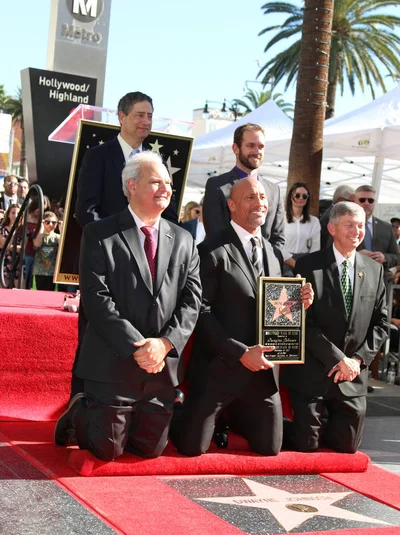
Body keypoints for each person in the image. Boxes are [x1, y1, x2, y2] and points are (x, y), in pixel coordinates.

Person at [55, 151, 202, 461]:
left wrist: (164, 344)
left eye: (168, 183)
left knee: (149, 450)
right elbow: (97, 300)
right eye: (155, 182)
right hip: (113, 364)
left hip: (161, 368)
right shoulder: (99, 233)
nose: (165, 189)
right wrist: (139, 348)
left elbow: (192, 301)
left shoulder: (185, 239)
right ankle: (78, 414)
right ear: (132, 186)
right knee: (106, 450)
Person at [170, 177, 313, 457]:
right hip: (219, 369)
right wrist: (240, 352)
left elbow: (276, 309)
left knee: (270, 449)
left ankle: (233, 418)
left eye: (262, 197)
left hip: (261, 375)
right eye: (249, 197)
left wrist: (298, 303)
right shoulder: (210, 250)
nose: (258, 202)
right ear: (231, 205)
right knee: (191, 448)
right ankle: (176, 409)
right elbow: (201, 312)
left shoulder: (273, 252)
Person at [281, 201, 388, 454]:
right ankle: (286, 426)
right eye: (349, 225)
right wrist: (337, 359)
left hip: (352, 375)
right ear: (331, 228)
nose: (357, 231)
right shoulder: (308, 266)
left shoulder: (375, 270)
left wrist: (356, 361)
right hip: (314, 375)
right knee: (307, 444)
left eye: (360, 225)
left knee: (347, 447)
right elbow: (303, 322)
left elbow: (381, 323)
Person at [75, 91, 178, 227]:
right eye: (140, 115)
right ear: (122, 117)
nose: (146, 122)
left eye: (150, 116)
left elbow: (169, 213)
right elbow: (87, 211)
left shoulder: (158, 162)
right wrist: (112, 241)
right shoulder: (98, 156)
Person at [202, 123, 285, 250]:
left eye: (261, 146)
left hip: (266, 267)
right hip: (229, 265)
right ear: (236, 148)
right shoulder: (217, 186)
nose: (257, 151)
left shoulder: (274, 190)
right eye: (251, 145)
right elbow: (215, 234)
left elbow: (278, 239)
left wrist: (269, 266)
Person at [353, 185, 399, 270]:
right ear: (355, 202)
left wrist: (384, 258)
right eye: (362, 200)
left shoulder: (386, 228)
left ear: (374, 203)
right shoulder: (344, 225)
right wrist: (354, 255)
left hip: (379, 279)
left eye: (370, 200)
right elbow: (332, 253)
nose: (366, 203)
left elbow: (396, 257)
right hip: (353, 277)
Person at [284, 182, 321, 258]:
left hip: (305, 260)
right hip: (284, 260)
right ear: (291, 197)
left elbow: (315, 248)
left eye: (304, 196)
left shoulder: (314, 221)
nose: (301, 198)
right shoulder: (281, 218)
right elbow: (277, 245)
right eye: (297, 195)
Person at [24, 195, 51, 289]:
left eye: (43, 210)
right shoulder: (25, 216)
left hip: (38, 254)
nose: (39, 211)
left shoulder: (43, 221)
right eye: (38, 208)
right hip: (25, 253)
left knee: (33, 284)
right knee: (24, 280)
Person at [32, 211, 61, 291]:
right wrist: (41, 227)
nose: (51, 225)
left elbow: (63, 247)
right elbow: (37, 244)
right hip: (40, 270)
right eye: (47, 222)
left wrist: (61, 229)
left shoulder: (57, 236)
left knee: (50, 292)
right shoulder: (38, 234)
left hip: (52, 271)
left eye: (54, 222)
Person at [0, 203, 22, 288]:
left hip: (18, 262)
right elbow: (4, 245)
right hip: (4, 262)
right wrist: (13, 232)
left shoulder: (23, 230)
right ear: (8, 214)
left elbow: (22, 248)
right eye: (13, 213)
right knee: (3, 291)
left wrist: (11, 247)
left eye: (18, 213)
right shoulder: (2, 230)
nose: (15, 215)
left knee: (19, 291)